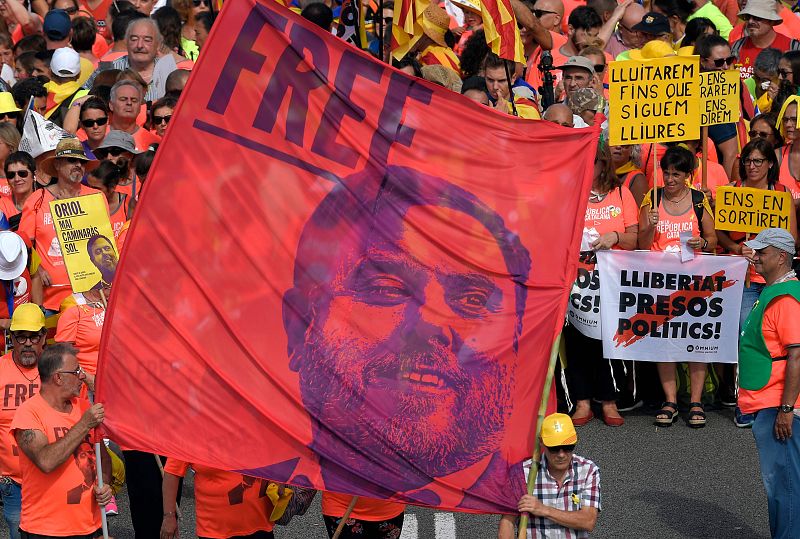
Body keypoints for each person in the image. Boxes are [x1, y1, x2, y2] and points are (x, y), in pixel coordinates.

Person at [256, 165, 532, 509]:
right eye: (386, 288)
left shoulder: (533, 491)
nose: (431, 322)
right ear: (299, 327)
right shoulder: (259, 464)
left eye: (473, 300)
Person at [717, 139, 797, 427]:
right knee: (746, 338)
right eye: (748, 161)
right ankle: (745, 401)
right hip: (746, 279)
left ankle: (780, 399)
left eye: (758, 161)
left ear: (770, 164)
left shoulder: (781, 193)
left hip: (775, 278)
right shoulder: (734, 192)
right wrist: (738, 248)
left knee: (780, 342)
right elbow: (720, 234)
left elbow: (793, 239)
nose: (752, 166)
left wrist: (768, 249)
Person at [638, 146, 717, 428]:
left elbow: (711, 238)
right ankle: (670, 400)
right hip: (661, 284)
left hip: (694, 282)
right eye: (666, 173)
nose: (670, 179)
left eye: (676, 174)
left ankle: (695, 401)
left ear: (688, 175)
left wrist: (702, 244)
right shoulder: (653, 197)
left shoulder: (698, 200)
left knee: (695, 341)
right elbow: (642, 245)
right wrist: (649, 225)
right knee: (665, 343)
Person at [565, 143, 638, 427]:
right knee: (577, 341)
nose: (586, 166)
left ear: (604, 163)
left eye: (592, 160)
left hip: (611, 282)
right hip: (578, 282)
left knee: (609, 339)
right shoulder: (572, 192)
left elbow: (634, 240)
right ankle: (582, 401)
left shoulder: (621, 193)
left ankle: (609, 400)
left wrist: (615, 237)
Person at [11, 343, 112, 539]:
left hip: (90, 528)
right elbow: (46, 461)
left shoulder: (83, 407)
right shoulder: (28, 413)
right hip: (45, 531)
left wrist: (104, 484)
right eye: (76, 371)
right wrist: (84, 424)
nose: (82, 376)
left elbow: (103, 459)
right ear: (58, 377)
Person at [738, 228, 800, 539]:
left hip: (778, 404)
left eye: (762, 252)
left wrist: (786, 409)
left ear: (782, 257)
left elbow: (797, 355)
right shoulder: (776, 291)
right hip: (772, 401)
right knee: (782, 484)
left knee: (784, 486)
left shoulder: (785, 297)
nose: (756, 256)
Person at [17, 138, 101, 316]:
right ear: (57, 165)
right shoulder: (37, 198)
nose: (78, 165)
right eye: (72, 160)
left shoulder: (96, 197)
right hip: (49, 300)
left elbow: (101, 241)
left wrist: (70, 211)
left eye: (82, 161)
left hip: (90, 298)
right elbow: (23, 245)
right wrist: (38, 268)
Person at [498, 413, 600, 539]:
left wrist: (544, 510)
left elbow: (588, 521)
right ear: (541, 443)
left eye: (568, 447)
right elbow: (507, 522)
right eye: (554, 448)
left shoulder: (588, 470)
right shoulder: (522, 473)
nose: (561, 454)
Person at [0, 303, 45, 539]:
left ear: (44, 337)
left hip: (53, 480)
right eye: (20, 337)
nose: (27, 343)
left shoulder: (58, 370)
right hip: (13, 483)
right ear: (11, 338)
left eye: (33, 337)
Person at [161, 459, 280, 539]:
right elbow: (172, 473)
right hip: (215, 530)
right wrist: (169, 516)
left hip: (260, 524)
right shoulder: (193, 430)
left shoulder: (257, 425)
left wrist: (281, 480)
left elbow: (277, 455)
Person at [695, 34, 740, 179]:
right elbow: (731, 153)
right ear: (702, 61)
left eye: (730, 60)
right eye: (719, 62)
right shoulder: (712, 95)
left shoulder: (730, 87)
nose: (726, 67)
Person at [730, 0, 794, 82]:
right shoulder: (735, 48)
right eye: (748, 17)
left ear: (771, 21)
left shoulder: (791, 47)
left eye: (757, 18)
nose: (750, 21)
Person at [108, 80, 161, 151]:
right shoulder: (96, 134)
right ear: (111, 105)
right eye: (123, 99)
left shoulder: (154, 143)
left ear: (140, 107)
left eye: (134, 100)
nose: (129, 103)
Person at [0, 152, 37, 229]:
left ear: (34, 175)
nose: (17, 179)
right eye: (11, 175)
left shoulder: (46, 202)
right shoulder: (1, 206)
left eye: (22, 173)